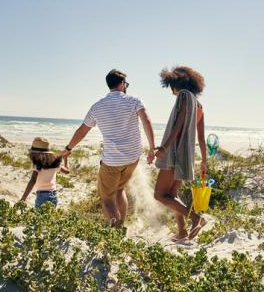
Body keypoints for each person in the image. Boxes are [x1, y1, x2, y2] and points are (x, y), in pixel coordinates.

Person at [62, 69, 155, 228]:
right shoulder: (134, 101)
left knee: (107, 199)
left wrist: (69, 148)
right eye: (126, 84)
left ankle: (116, 229)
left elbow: (82, 130)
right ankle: (120, 225)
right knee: (119, 189)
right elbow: (146, 121)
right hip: (132, 158)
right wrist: (152, 148)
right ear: (121, 84)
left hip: (112, 161)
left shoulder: (97, 106)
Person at [154, 66, 207, 241]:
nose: (172, 93)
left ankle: (196, 218)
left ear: (177, 84)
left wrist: (164, 147)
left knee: (160, 195)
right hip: (186, 156)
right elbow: (201, 137)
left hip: (175, 153)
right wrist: (204, 160)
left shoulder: (183, 95)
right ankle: (182, 232)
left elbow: (179, 124)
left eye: (171, 88)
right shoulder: (198, 105)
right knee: (172, 195)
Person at [20, 137, 69, 208]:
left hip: (42, 195)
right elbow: (67, 171)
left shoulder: (36, 164)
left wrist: (23, 198)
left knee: (39, 217)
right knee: (50, 216)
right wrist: (65, 159)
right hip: (54, 195)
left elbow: (33, 180)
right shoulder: (54, 162)